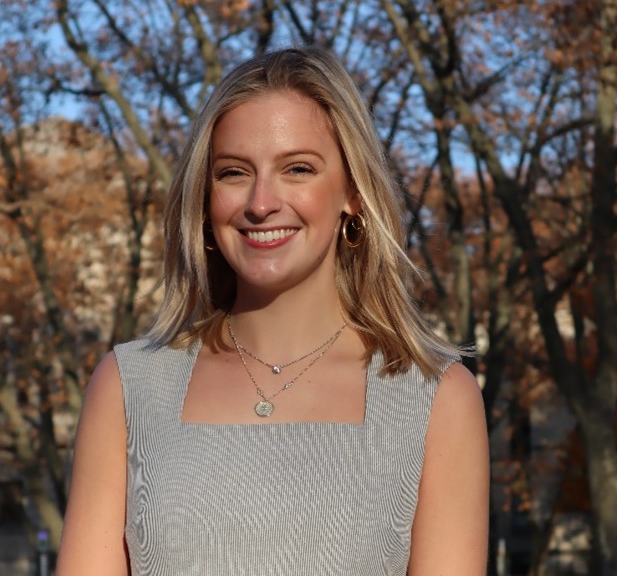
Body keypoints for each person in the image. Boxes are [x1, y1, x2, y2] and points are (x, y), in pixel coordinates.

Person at [56, 47, 489, 575]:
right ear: (205, 197)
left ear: (353, 192)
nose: (261, 202)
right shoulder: (129, 386)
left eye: (298, 168)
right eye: (234, 172)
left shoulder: (434, 398)